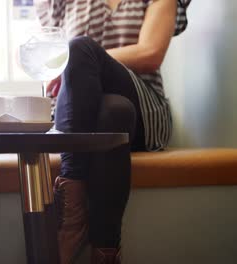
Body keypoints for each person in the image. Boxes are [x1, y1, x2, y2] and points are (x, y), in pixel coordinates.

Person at [35, 0, 190, 263]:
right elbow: (48, 62)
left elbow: (150, 53)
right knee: (113, 112)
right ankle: (106, 253)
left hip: (144, 114)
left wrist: (85, 59)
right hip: (84, 120)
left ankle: (72, 219)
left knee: (79, 47)